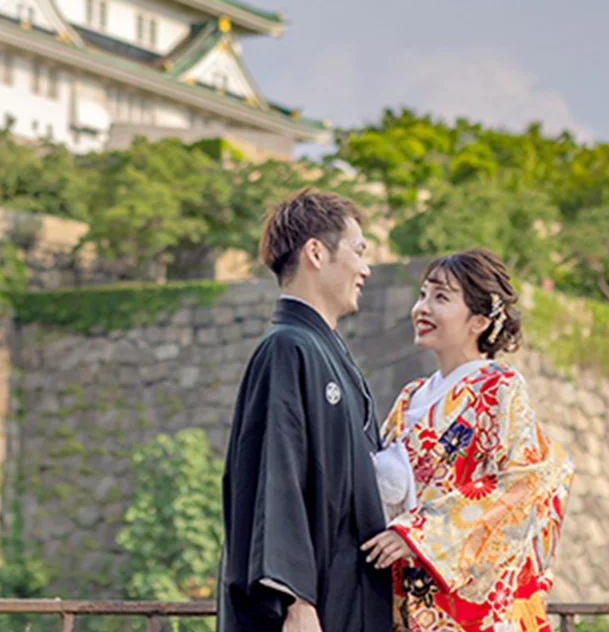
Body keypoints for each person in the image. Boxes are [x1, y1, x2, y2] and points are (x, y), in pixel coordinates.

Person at [361, 248, 574, 632]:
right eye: (423, 294)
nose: (422, 307)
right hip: (410, 597)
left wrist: (421, 534)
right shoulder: (410, 397)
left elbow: (522, 485)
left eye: (440, 297)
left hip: (469, 606)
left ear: (478, 320)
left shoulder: (499, 387)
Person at [218, 188, 393, 632]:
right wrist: (296, 602)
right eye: (358, 251)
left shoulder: (324, 351)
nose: (365, 268)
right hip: (310, 613)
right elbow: (274, 478)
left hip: (347, 600)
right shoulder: (286, 348)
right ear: (316, 252)